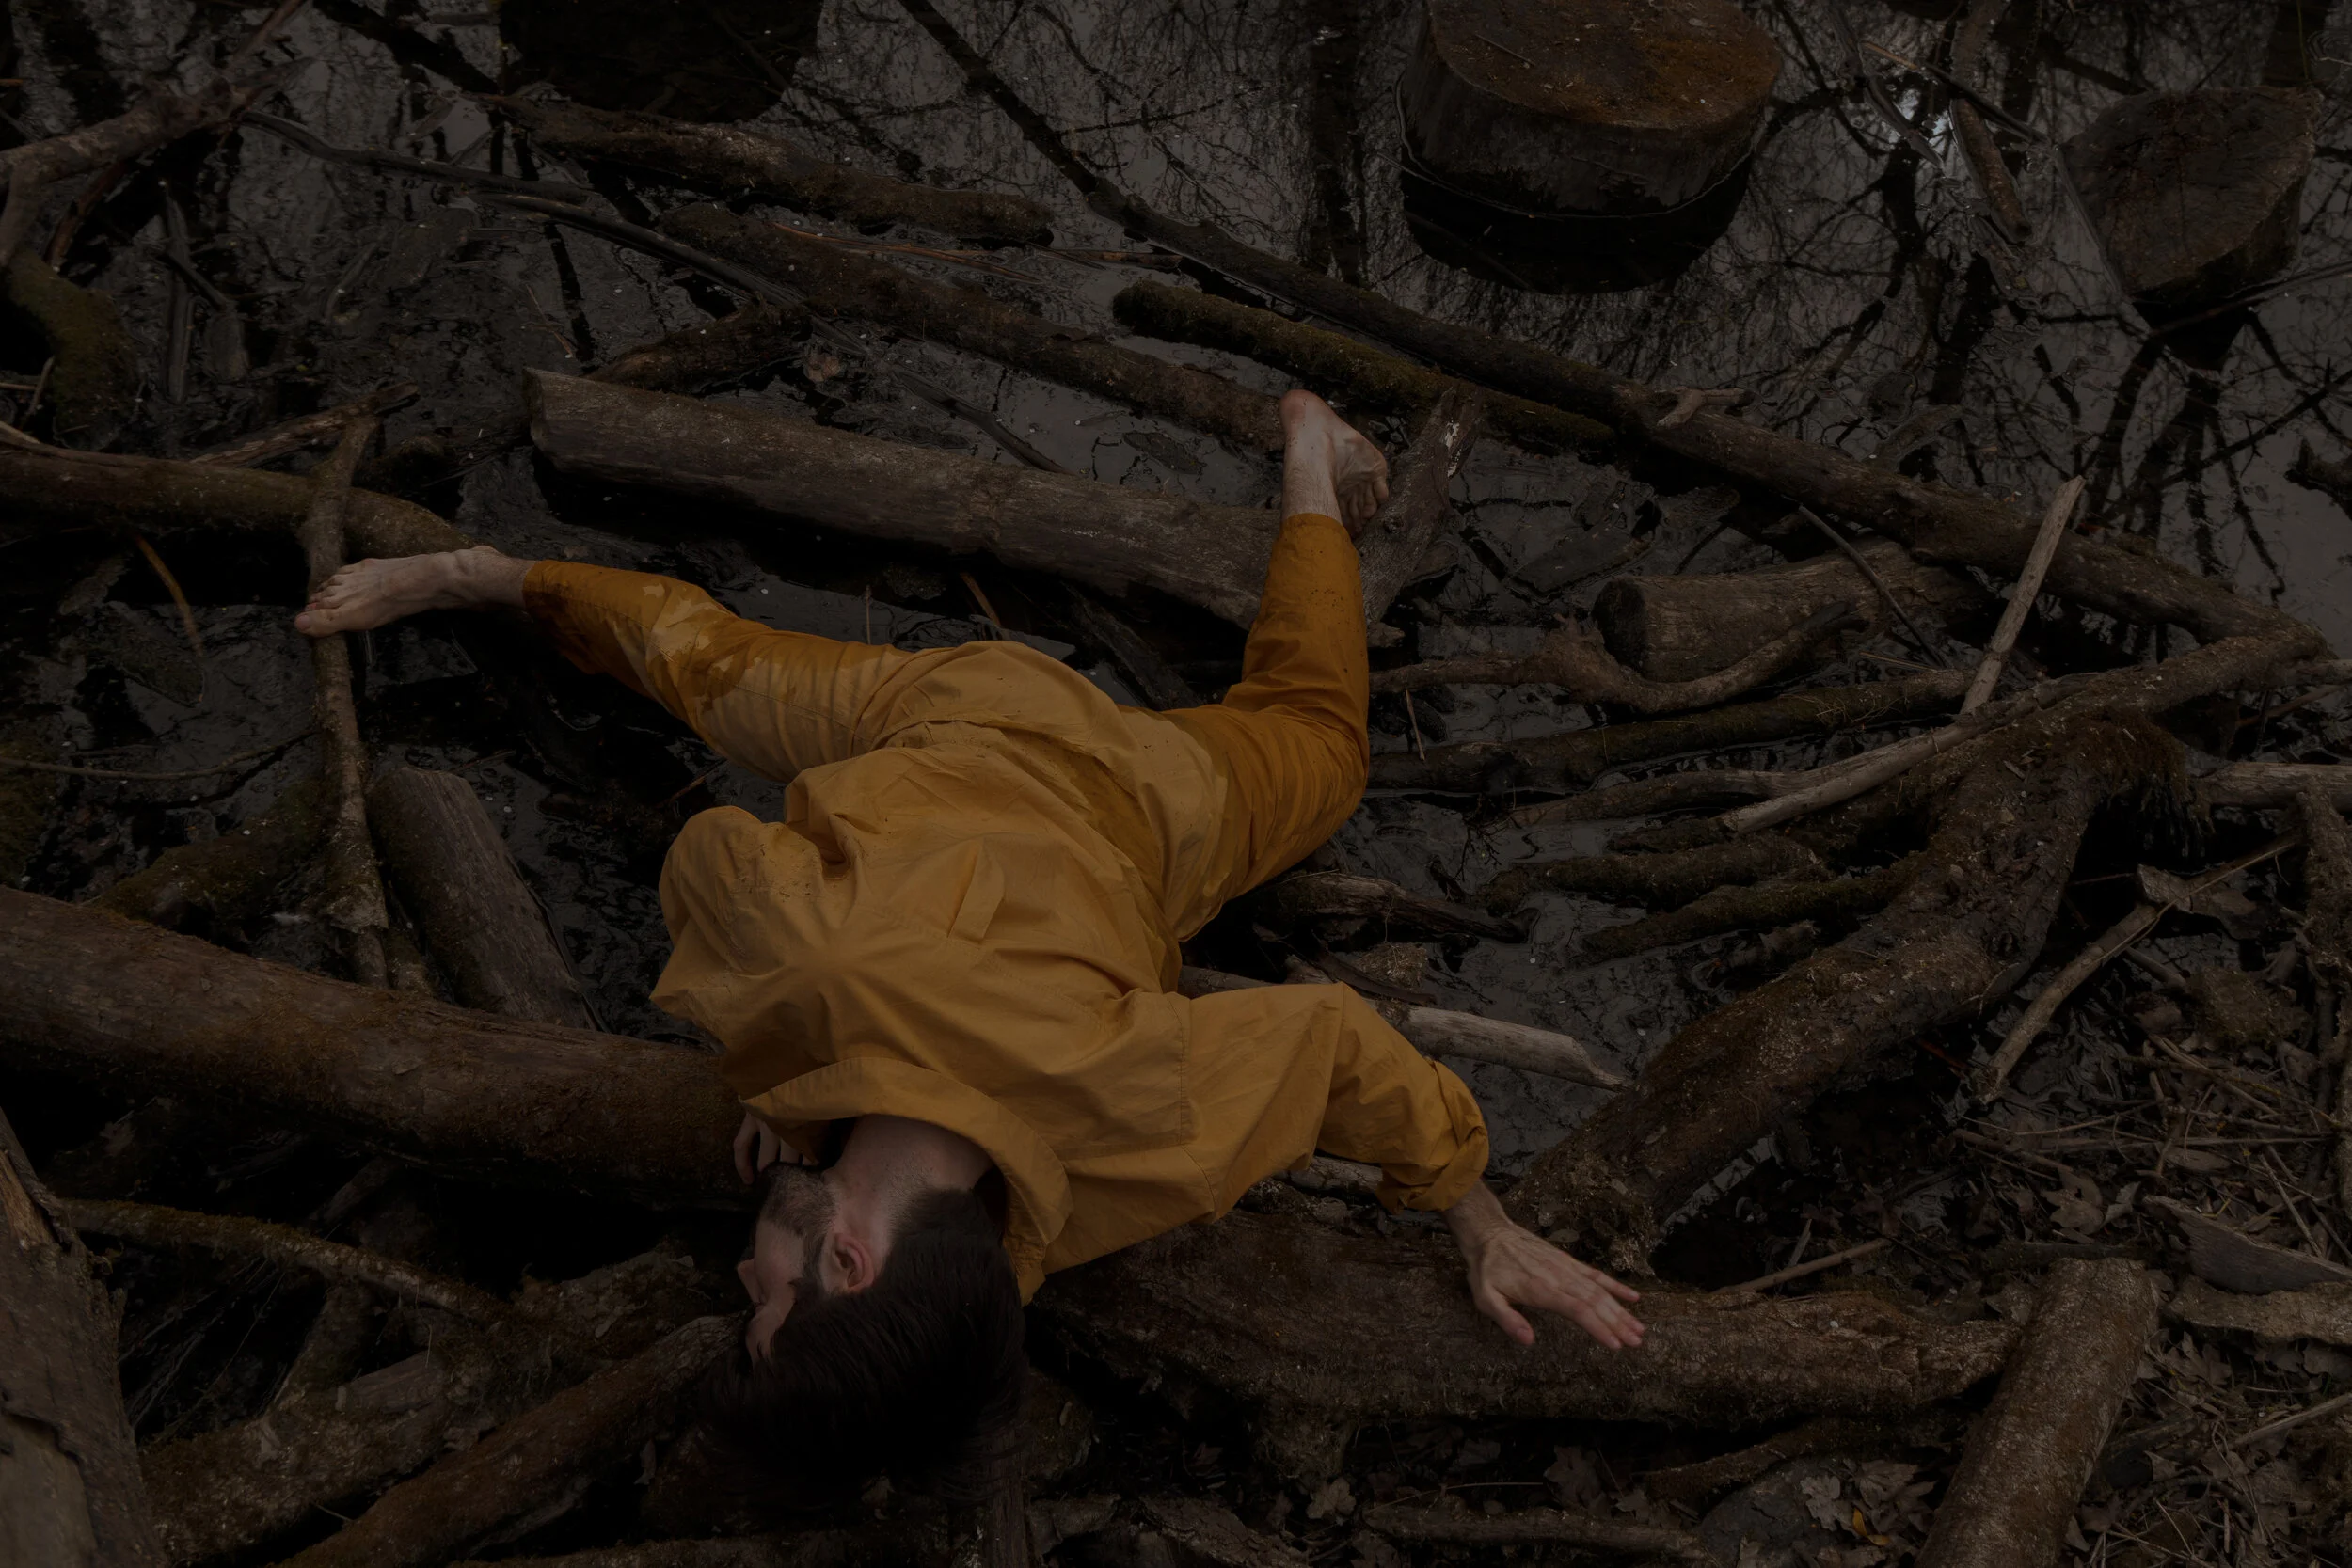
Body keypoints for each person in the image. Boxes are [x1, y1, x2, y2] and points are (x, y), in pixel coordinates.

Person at [297, 388, 1643, 1497]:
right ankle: (478, 572)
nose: (744, 1275)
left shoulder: (1119, 1122)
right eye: (766, 1300)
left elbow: (1339, 1043)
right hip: (1044, 759)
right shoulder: (816, 970)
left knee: (1317, 749)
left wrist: (1482, 1216)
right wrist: (779, 1052)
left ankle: (1311, 457)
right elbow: (708, 855)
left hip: (1055, 771)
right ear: (852, 1258)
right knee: (703, 663)